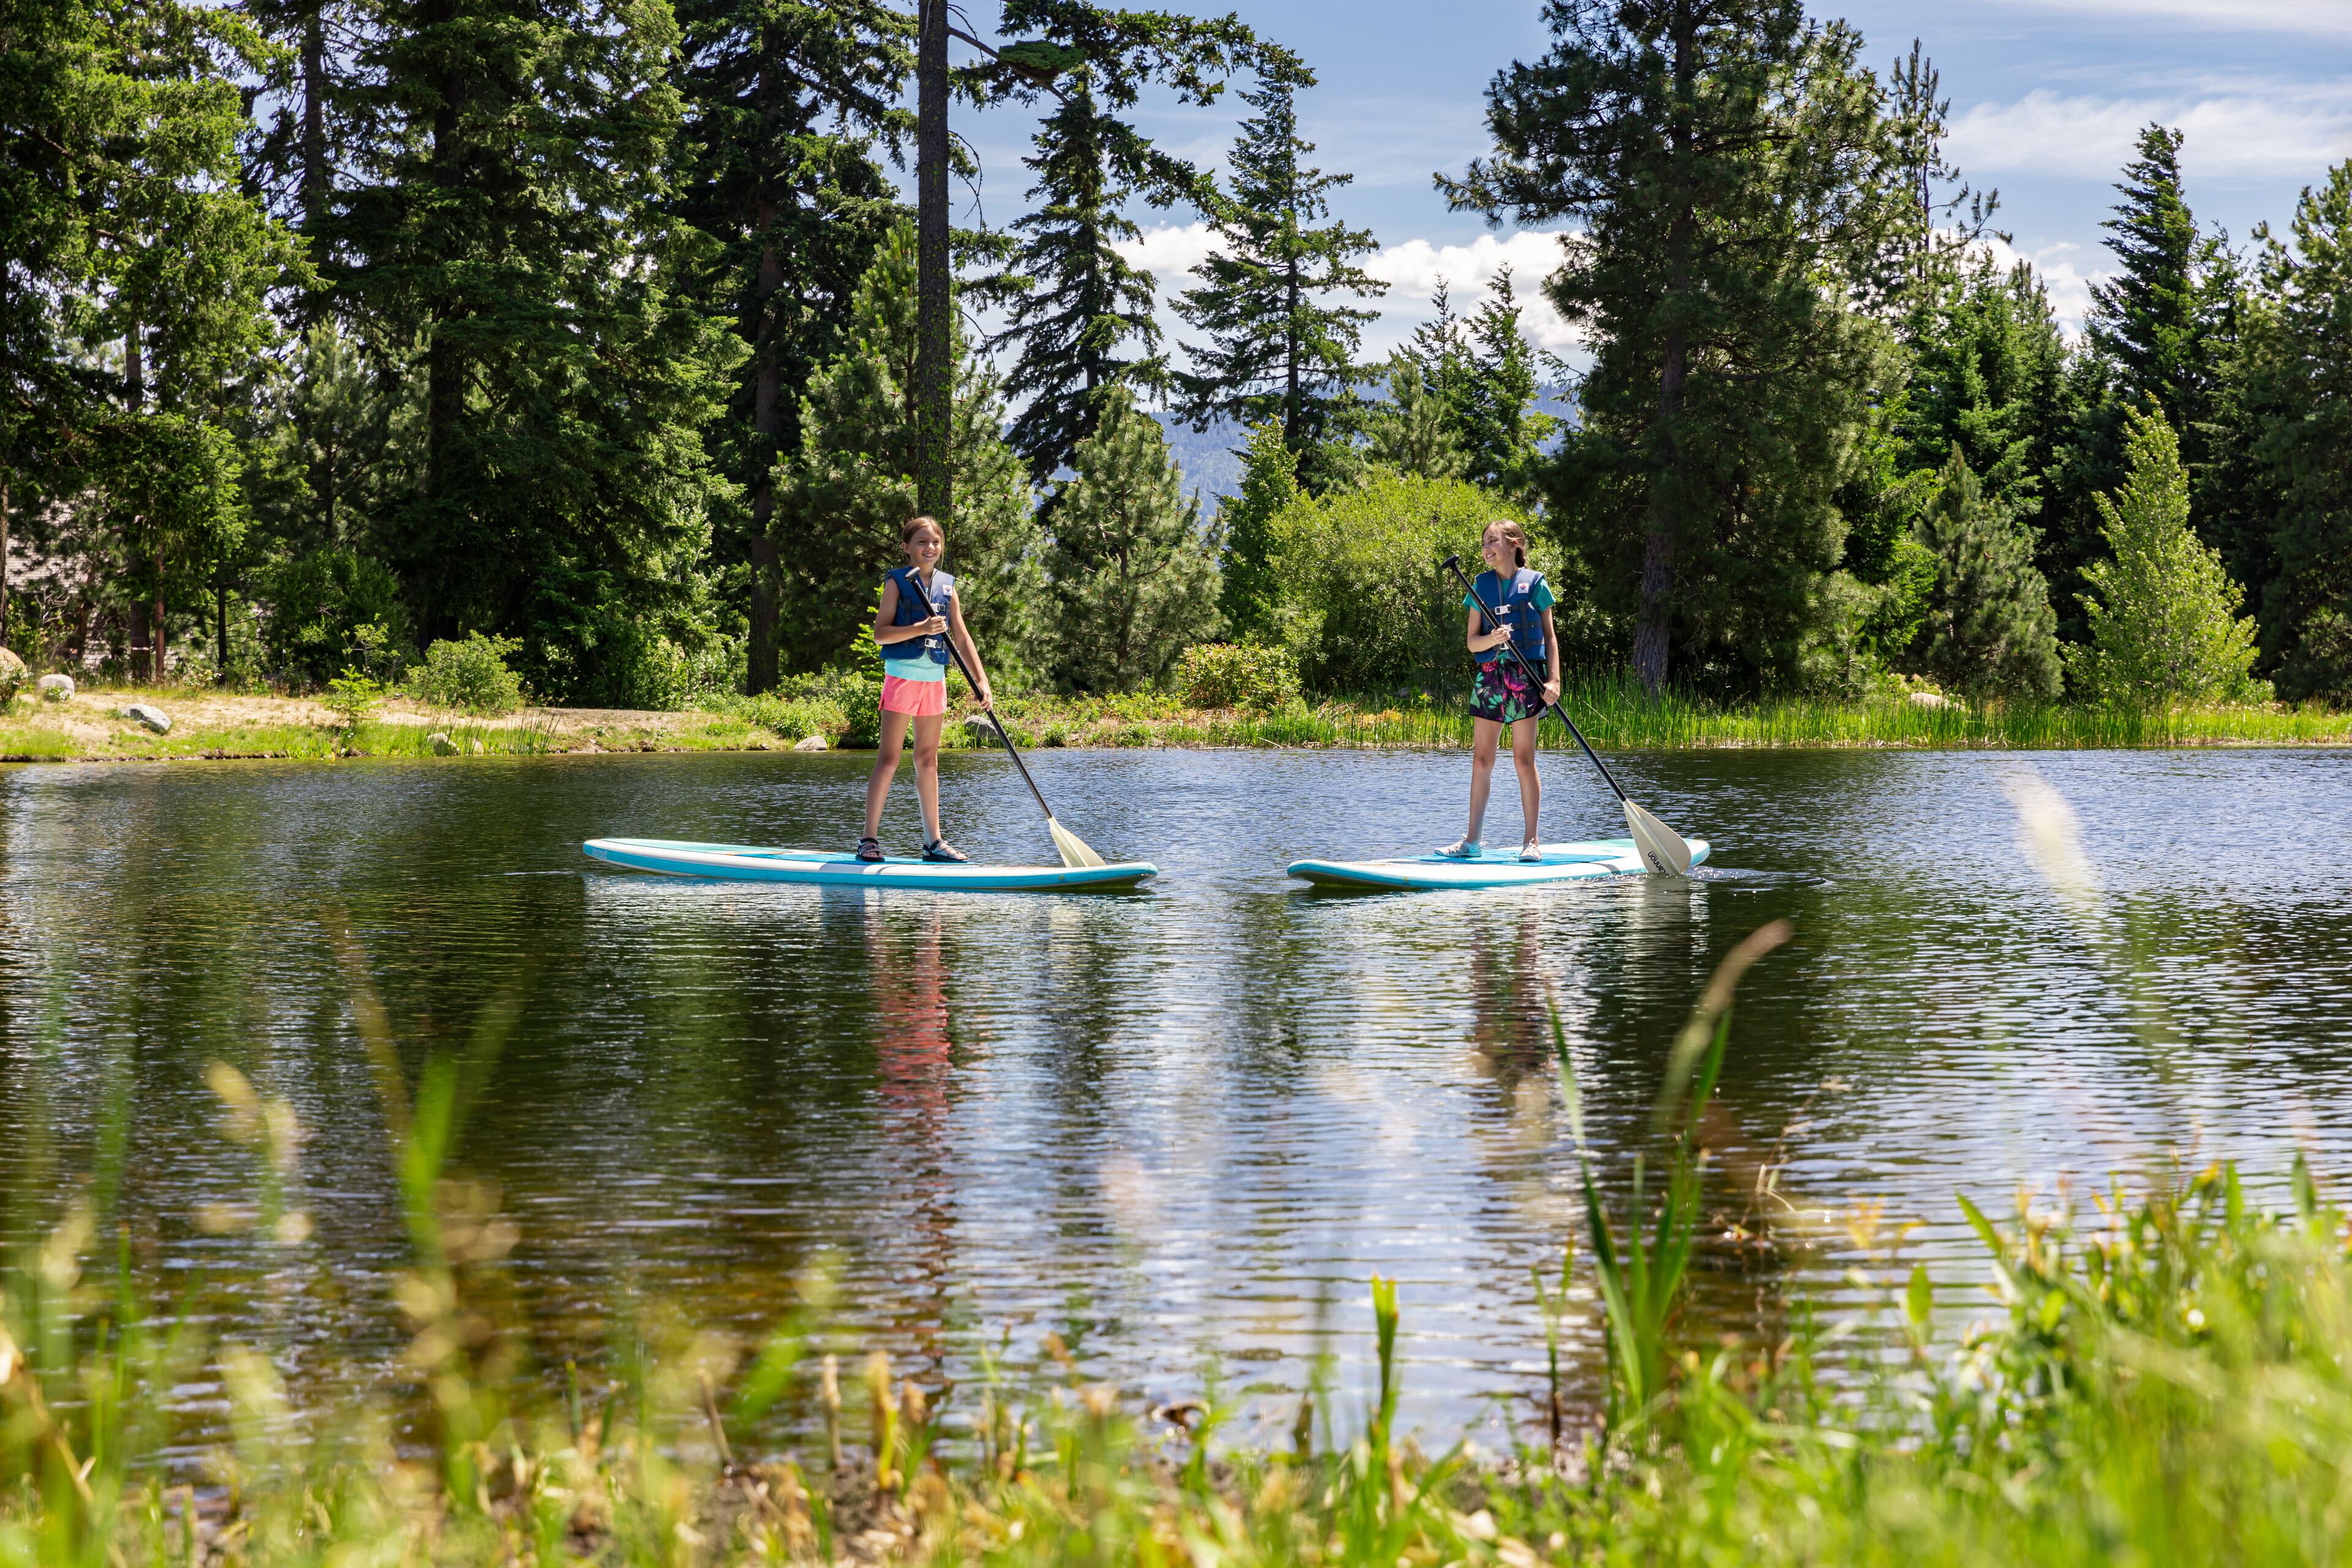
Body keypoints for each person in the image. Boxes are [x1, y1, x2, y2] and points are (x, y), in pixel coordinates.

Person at [859, 515, 993, 862]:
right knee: (889, 759)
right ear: (907, 548)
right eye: (921, 542)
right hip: (903, 678)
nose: (929, 548)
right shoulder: (897, 582)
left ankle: (933, 843)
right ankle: (868, 840)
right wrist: (921, 627)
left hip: (934, 681)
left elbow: (962, 638)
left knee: (928, 760)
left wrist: (982, 680)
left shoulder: (948, 587)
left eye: (935, 542)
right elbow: (881, 634)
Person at [1439, 519, 1561, 863]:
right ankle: (1472, 843)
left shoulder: (1535, 583)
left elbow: (1550, 638)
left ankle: (1531, 841)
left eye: (1493, 541)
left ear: (1514, 544)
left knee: (1524, 759)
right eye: (1483, 543)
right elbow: (1472, 642)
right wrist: (1492, 640)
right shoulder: (1479, 586)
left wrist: (1554, 680)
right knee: (1482, 760)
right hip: (1491, 677)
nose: (1487, 548)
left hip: (1527, 678)